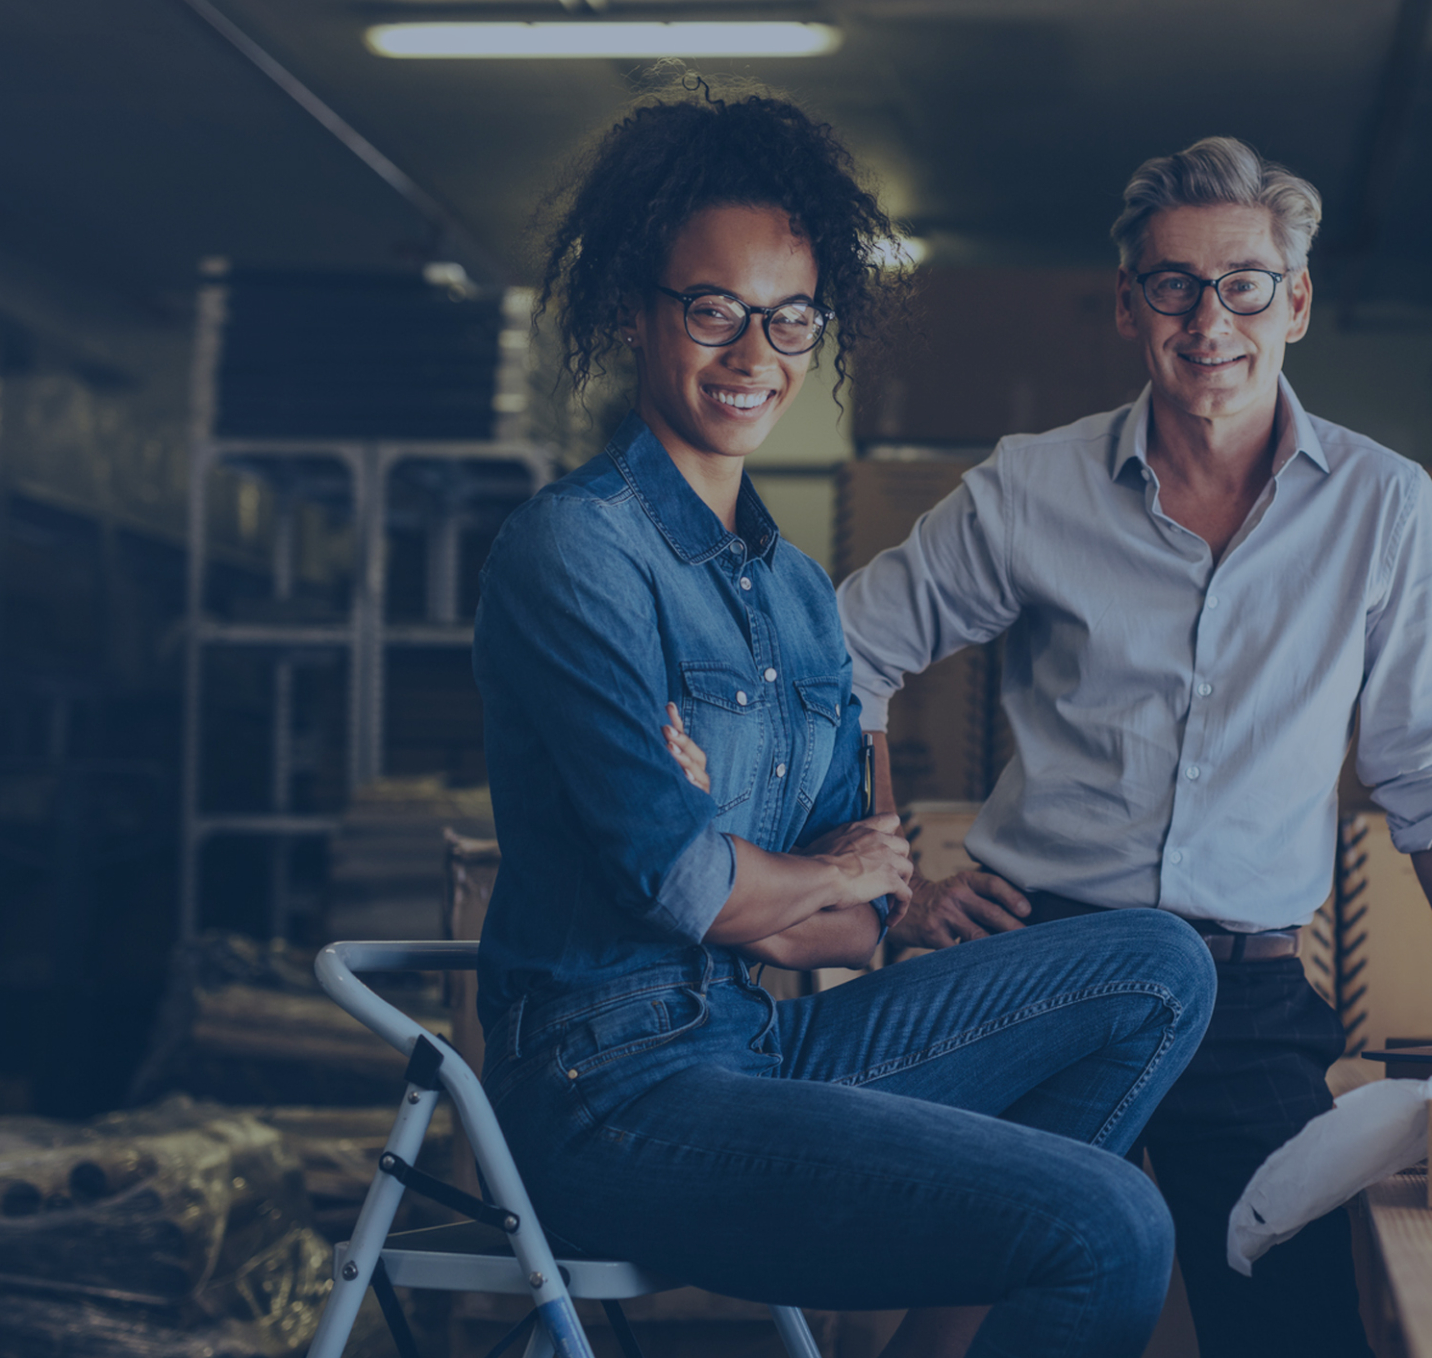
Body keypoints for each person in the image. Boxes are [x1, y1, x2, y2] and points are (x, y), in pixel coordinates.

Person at [471, 84, 1216, 1358]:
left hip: (760, 1037)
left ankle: (981, 1239)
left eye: (790, 317)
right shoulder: (574, 553)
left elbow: (851, 925)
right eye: (713, 308)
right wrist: (793, 874)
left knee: (1159, 965)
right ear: (635, 310)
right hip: (614, 1093)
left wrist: (797, 878)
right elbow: (688, 885)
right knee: (1112, 1226)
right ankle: (1027, 1224)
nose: (754, 351)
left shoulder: (798, 594)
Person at [832, 136, 1432, 1357]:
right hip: (1040, 962)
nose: (1210, 319)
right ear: (1127, 305)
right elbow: (843, 657)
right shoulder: (1030, 490)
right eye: (1173, 284)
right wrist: (896, 883)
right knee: (964, 1322)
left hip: (1246, 995)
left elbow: (1428, 770)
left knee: (1300, 1329)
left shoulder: (1382, 505)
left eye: (1244, 282)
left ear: (1295, 301)